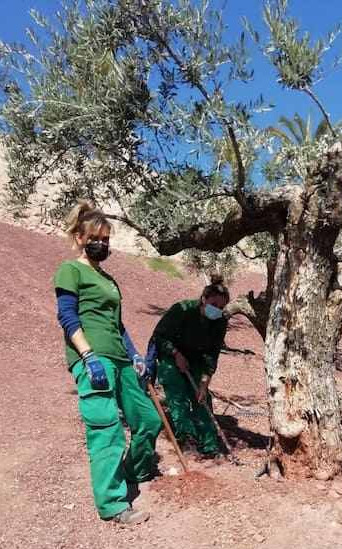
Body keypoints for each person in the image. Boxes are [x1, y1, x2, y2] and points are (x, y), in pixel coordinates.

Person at [54, 201, 162, 525]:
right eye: (94, 238)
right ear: (79, 237)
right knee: (107, 430)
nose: (101, 244)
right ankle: (112, 504)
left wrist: (135, 355)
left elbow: (119, 325)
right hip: (93, 358)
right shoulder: (70, 270)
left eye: (105, 239)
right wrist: (87, 356)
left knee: (148, 419)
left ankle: (132, 473)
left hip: (120, 358)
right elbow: (67, 315)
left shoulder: (110, 281)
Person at [150, 275, 229, 457]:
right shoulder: (182, 310)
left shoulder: (220, 322)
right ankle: (186, 438)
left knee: (201, 398)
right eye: (214, 305)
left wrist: (204, 383)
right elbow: (160, 336)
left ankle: (209, 445)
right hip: (172, 354)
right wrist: (176, 354)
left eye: (221, 308)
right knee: (177, 393)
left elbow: (212, 354)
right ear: (204, 299)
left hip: (197, 359)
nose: (217, 310)